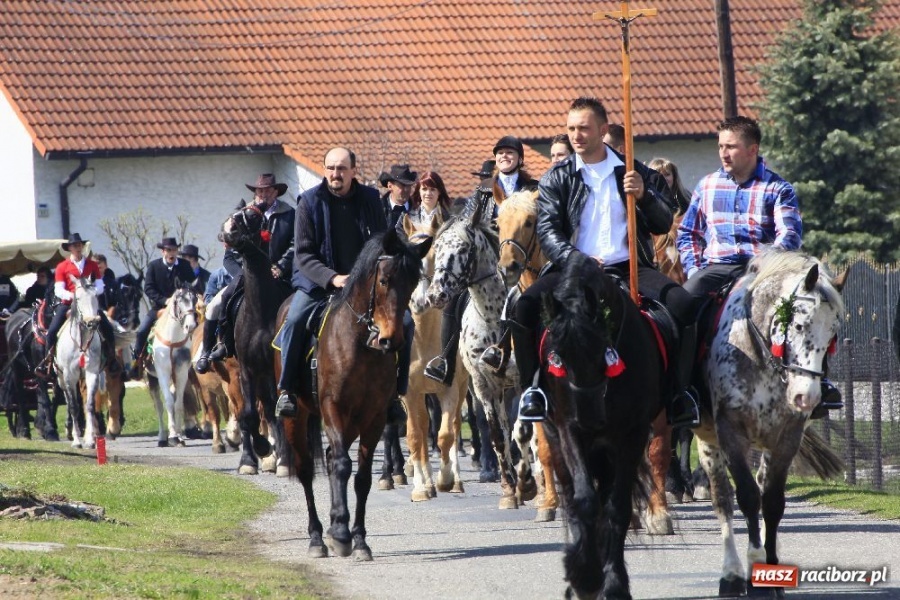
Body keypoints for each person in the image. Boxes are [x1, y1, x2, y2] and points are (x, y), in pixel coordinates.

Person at [510, 97, 700, 426]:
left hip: (630, 267)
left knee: (683, 305)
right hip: (573, 269)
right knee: (523, 307)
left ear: (603, 130)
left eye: (583, 128)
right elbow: (548, 229)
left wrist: (645, 196)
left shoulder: (634, 172)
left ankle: (680, 394)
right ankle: (534, 392)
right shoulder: (557, 177)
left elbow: (662, 221)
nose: (576, 135)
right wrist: (576, 259)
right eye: (571, 128)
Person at [676, 116, 838, 418]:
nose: (724, 153)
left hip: (763, 272)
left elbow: (789, 236)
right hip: (717, 267)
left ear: (752, 149)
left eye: (732, 147)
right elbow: (689, 233)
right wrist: (694, 268)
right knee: (679, 305)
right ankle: (681, 391)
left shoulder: (778, 188)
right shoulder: (707, 185)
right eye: (721, 147)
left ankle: (820, 384)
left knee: (811, 307)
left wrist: (769, 265)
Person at [275, 147, 387, 417]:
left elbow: (383, 241)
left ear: (353, 171)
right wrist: (332, 278)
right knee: (294, 319)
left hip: (363, 285)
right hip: (319, 283)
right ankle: (287, 390)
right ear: (324, 170)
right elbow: (302, 253)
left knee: (403, 321)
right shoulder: (309, 201)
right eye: (331, 168)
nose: (336, 174)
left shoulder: (371, 199)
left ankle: (396, 394)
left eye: (341, 168)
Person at [195, 174, 295, 373]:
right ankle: (214, 348)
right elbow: (229, 252)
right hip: (246, 273)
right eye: (259, 191)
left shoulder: (290, 214)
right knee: (215, 304)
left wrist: (281, 266)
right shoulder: (241, 215)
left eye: (267, 190)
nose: (263, 194)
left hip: (280, 274)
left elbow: (295, 245)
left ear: (276, 191)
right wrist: (245, 274)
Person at [36, 233, 118, 377]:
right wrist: (74, 296)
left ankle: (112, 359)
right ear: (70, 248)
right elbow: (59, 290)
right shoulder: (62, 267)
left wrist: (89, 293)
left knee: (107, 328)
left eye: (80, 245)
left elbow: (100, 286)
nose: (78, 248)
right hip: (68, 304)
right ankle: (47, 362)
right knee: (52, 331)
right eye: (75, 246)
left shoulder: (92, 265)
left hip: (88, 304)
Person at [128, 237, 196, 376]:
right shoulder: (153, 266)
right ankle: (137, 362)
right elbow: (148, 288)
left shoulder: (185, 265)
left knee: (197, 326)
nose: (172, 253)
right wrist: (165, 301)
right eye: (169, 250)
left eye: (175, 250)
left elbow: (192, 284)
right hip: (160, 308)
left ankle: (200, 358)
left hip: (182, 309)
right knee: (142, 331)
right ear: (163, 252)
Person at [379, 164, 417, 229]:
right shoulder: (378, 210)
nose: (407, 189)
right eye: (403, 185)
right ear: (390, 186)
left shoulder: (417, 209)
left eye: (409, 186)